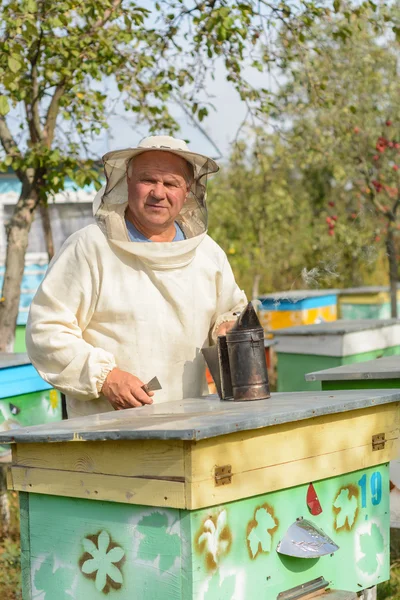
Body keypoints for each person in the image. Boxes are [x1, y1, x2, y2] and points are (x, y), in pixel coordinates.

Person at [26, 136, 247, 418]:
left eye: (171, 184)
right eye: (148, 180)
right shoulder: (90, 247)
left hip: (191, 422)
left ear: (187, 190)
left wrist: (228, 327)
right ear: (126, 182)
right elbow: (47, 329)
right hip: (108, 432)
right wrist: (105, 378)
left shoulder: (207, 253)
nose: (158, 192)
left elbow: (234, 311)